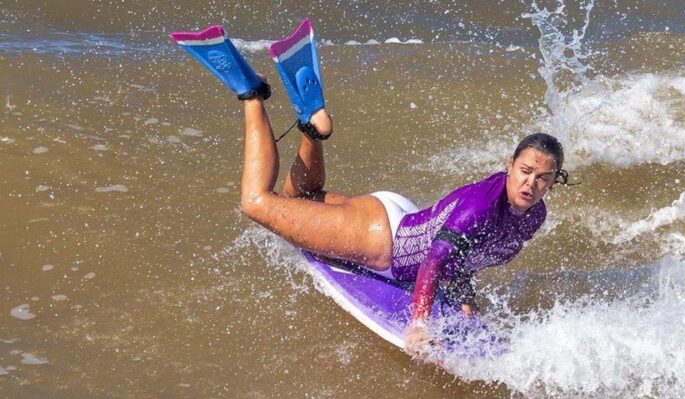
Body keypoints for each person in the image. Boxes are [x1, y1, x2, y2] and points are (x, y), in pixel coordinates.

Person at [171, 21, 568, 354]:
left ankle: (313, 125)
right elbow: (434, 261)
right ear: (509, 166)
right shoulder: (479, 207)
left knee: (298, 201)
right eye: (525, 171)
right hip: (384, 241)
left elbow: (468, 255)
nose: (530, 183)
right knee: (258, 202)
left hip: (400, 218)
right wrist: (419, 324)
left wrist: (464, 305)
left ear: (552, 183)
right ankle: (251, 94)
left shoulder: (533, 216)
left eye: (542, 178)